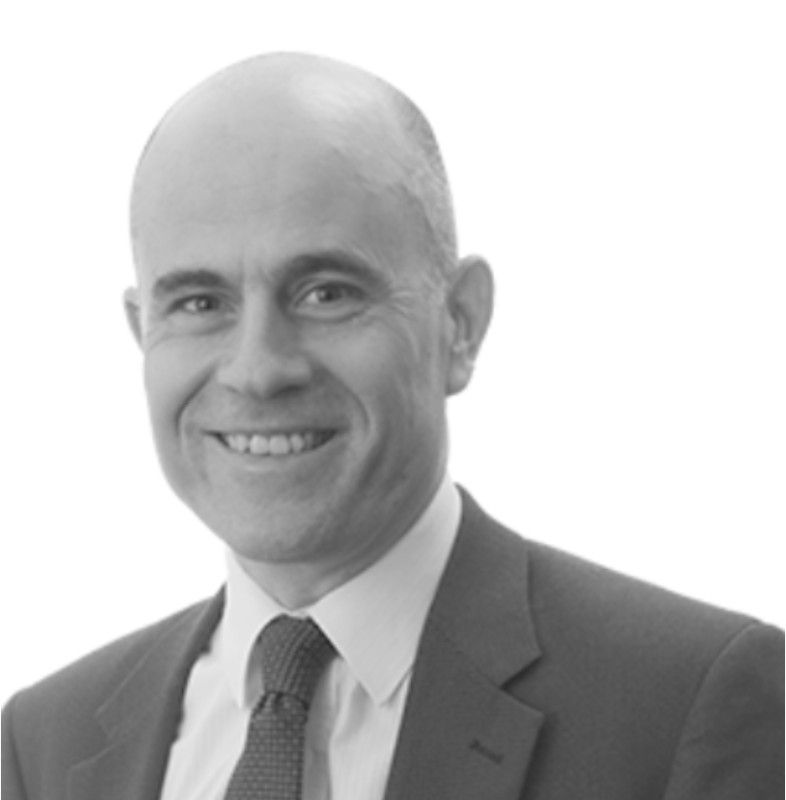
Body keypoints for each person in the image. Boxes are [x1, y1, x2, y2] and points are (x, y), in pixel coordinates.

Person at [2, 52, 782, 800]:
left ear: (461, 323)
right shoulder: (45, 746)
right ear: (144, 331)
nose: (258, 368)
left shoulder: (690, 706)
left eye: (326, 292)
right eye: (200, 304)